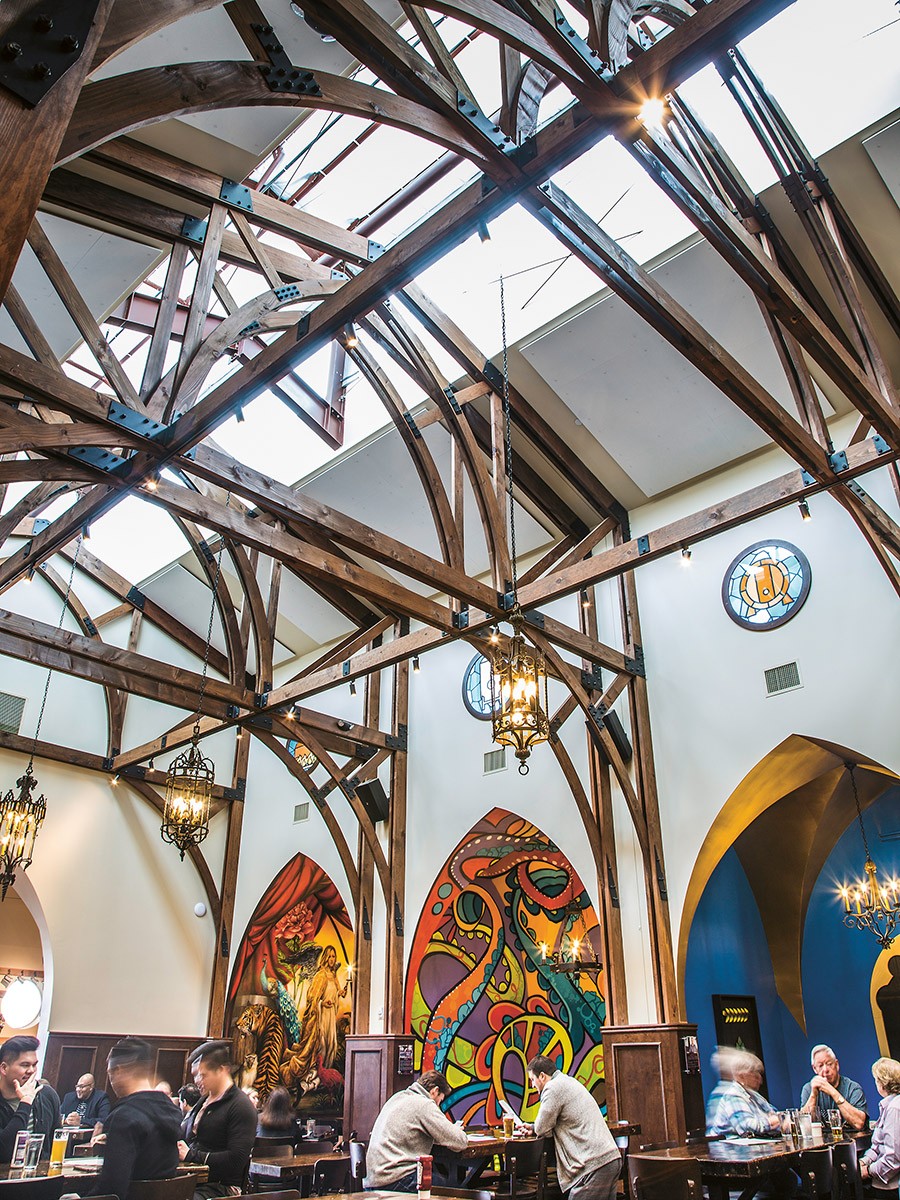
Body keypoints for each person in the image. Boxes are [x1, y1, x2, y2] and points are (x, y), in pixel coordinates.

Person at [76, 1037, 181, 1200]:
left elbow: (111, 1191)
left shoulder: (124, 1116)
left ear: (119, 1070)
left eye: (110, 1073)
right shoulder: (169, 1109)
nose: (111, 1080)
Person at [525, 1054, 620, 1200]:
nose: (532, 1085)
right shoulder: (567, 1081)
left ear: (542, 1076)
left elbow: (541, 1128)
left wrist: (534, 1128)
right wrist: (532, 1127)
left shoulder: (553, 1088)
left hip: (594, 1165)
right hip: (608, 1159)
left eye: (532, 1079)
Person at [706, 1049, 799, 1198]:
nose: (760, 1079)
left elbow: (775, 1115)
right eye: (756, 1074)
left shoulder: (753, 1095)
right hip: (732, 1166)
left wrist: (775, 1119)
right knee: (784, 1179)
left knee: (786, 1178)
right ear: (741, 1075)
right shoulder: (732, 1096)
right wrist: (775, 1120)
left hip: (754, 1159)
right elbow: (748, 1126)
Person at [364, 1069, 467, 1191]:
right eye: (440, 1100)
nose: (438, 1105)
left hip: (373, 1180)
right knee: (459, 1191)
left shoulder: (397, 1097)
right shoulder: (424, 1104)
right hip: (396, 1179)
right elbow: (461, 1141)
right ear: (435, 1091)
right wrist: (455, 1130)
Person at [178, 1040, 257, 1199]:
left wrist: (191, 1156)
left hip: (221, 1188)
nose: (197, 1080)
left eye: (202, 1075)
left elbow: (236, 1160)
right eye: (195, 1075)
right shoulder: (202, 1102)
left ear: (222, 1070)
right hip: (192, 1181)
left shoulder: (241, 1106)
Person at [800, 1044, 868, 1130]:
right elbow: (804, 1126)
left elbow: (859, 1123)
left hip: (852, 1141)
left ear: (836, 1065)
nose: (825, 1070)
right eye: (820, 1066)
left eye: (829, 1064)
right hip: (823, 1142)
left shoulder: (853, 1088)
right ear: (814, 1069)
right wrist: (813, 1095)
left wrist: (833, 1092)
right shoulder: (808, 1089)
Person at [860, 1057, 900, 1194]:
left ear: (882, 1083)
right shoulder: (888, 1105)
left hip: (891, 1186)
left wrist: (868, 1171)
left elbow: (893, 1158)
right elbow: (877, 1145)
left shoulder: (895, 1108)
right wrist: (863, 1162)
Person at [0, 1035, 40, 1162]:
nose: (31, 1071)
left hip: (39, 1178)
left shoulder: (46, 1095)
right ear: (4, 1068)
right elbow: (4, 1151)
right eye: (25, 1065)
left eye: (34, 1065)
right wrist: (25, 1103)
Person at [30, 1077, 61, 1144]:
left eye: (34, 1066)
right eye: (24, 1066)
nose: (30, 1070)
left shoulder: (48, 1094)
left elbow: (57, 1133)